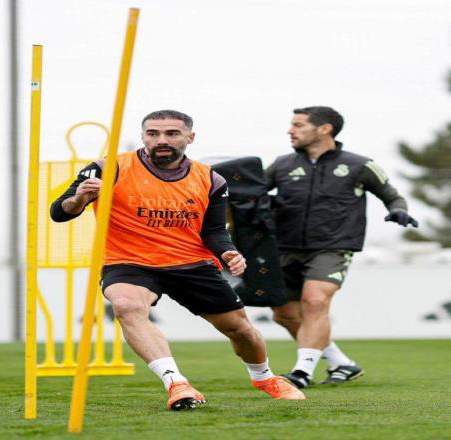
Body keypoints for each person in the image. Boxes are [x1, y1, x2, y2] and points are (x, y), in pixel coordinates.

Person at [51, 109, 305, 410]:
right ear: (143, 136)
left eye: (172, 133)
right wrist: (80, 199)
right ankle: (176, 383)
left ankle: (264, 377)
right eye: (153, 133)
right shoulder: (108, 167)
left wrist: (228, 251)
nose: (161, 139)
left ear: (190, 137)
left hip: (191, 263)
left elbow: (213, 231)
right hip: (129, 260)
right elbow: (59, 212)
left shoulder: (210, 178)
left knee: (241, 330)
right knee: (126, 306)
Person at [266, 106, 418, 388]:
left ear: (324, 129)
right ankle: (341, 363)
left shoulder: (360, 165)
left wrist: (399, 210)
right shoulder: (281, 165)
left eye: (298, 125)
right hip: (283, 247)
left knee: (315, 302)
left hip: (333, 247)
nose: (290, 130)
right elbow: (252, 193)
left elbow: (392, 195)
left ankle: (302, 372)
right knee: (284, 314)